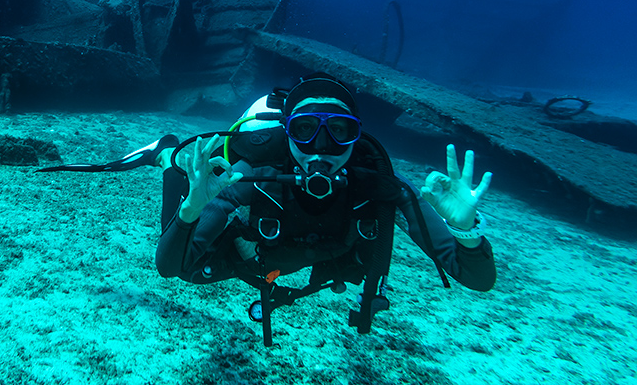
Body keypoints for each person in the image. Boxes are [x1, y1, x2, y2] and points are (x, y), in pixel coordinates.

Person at [154, 73, 496, 344]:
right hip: (263, 257)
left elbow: (477, 279)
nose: (320, 149)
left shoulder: (383, 187)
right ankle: (169, 160)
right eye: (304, 129)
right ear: (286, 133)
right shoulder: (255, 175)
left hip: (307, 258)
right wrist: (193, 207)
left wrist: (465, 229)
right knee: (192, 270)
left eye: (337, 131)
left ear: (355, 136)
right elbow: (171, 266)